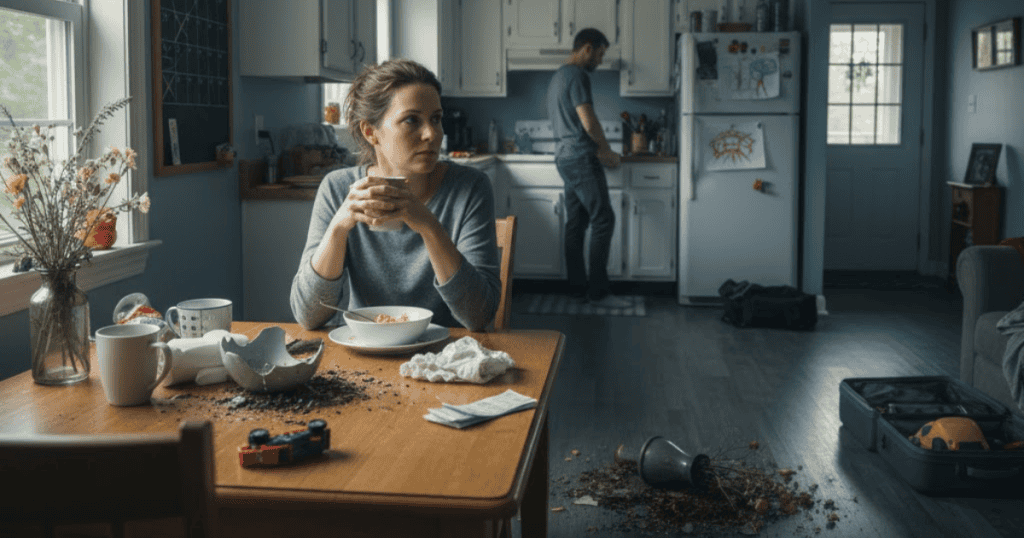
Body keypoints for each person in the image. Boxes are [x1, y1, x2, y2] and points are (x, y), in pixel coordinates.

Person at [290, 59, 500, 332]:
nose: (432, 134)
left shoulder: (470, 187)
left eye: (436, 119)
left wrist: (428, 225)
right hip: (362, 353)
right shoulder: (338, 189)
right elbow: (307, 315)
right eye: (411, 120)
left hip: (446, 358)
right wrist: (339, 227)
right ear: (370, 132)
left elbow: (479, 315)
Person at [546, 28, 631, 308]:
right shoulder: (577, 75)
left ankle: (577, 289)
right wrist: (605, 151)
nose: (600, 60)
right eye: (599, 54)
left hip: (564, 157)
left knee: (577, 223)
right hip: (581, 156)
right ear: (586, 48)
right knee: (604, 219)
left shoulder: (558, 77)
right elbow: (588, 120)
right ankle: (599, 293)